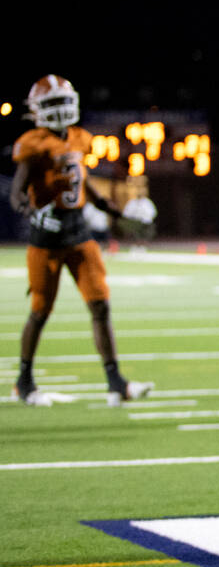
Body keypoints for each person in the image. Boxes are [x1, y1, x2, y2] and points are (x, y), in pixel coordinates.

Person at [8, 74, 152, 407]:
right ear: (37, 110)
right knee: (40, 311)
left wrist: (114, 213)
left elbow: (82, 180)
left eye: (63, 102)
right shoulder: (34, 142)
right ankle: (24, 382)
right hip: (46, 236)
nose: (59, 110)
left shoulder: (80, 138)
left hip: (78, 232)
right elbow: (18, 190)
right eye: (52, 103)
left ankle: (116, 382)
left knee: (100, 305)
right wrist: (28, 210)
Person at [120, 186, 157, 253]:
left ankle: (144, 247)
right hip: (136, 222)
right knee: (136, 235)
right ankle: (136, 246)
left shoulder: (147, 202)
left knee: (145, 235)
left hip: (145, 222)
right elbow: (127, 212)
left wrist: (147, 219)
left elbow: (152, 212)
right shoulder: (132, 202)